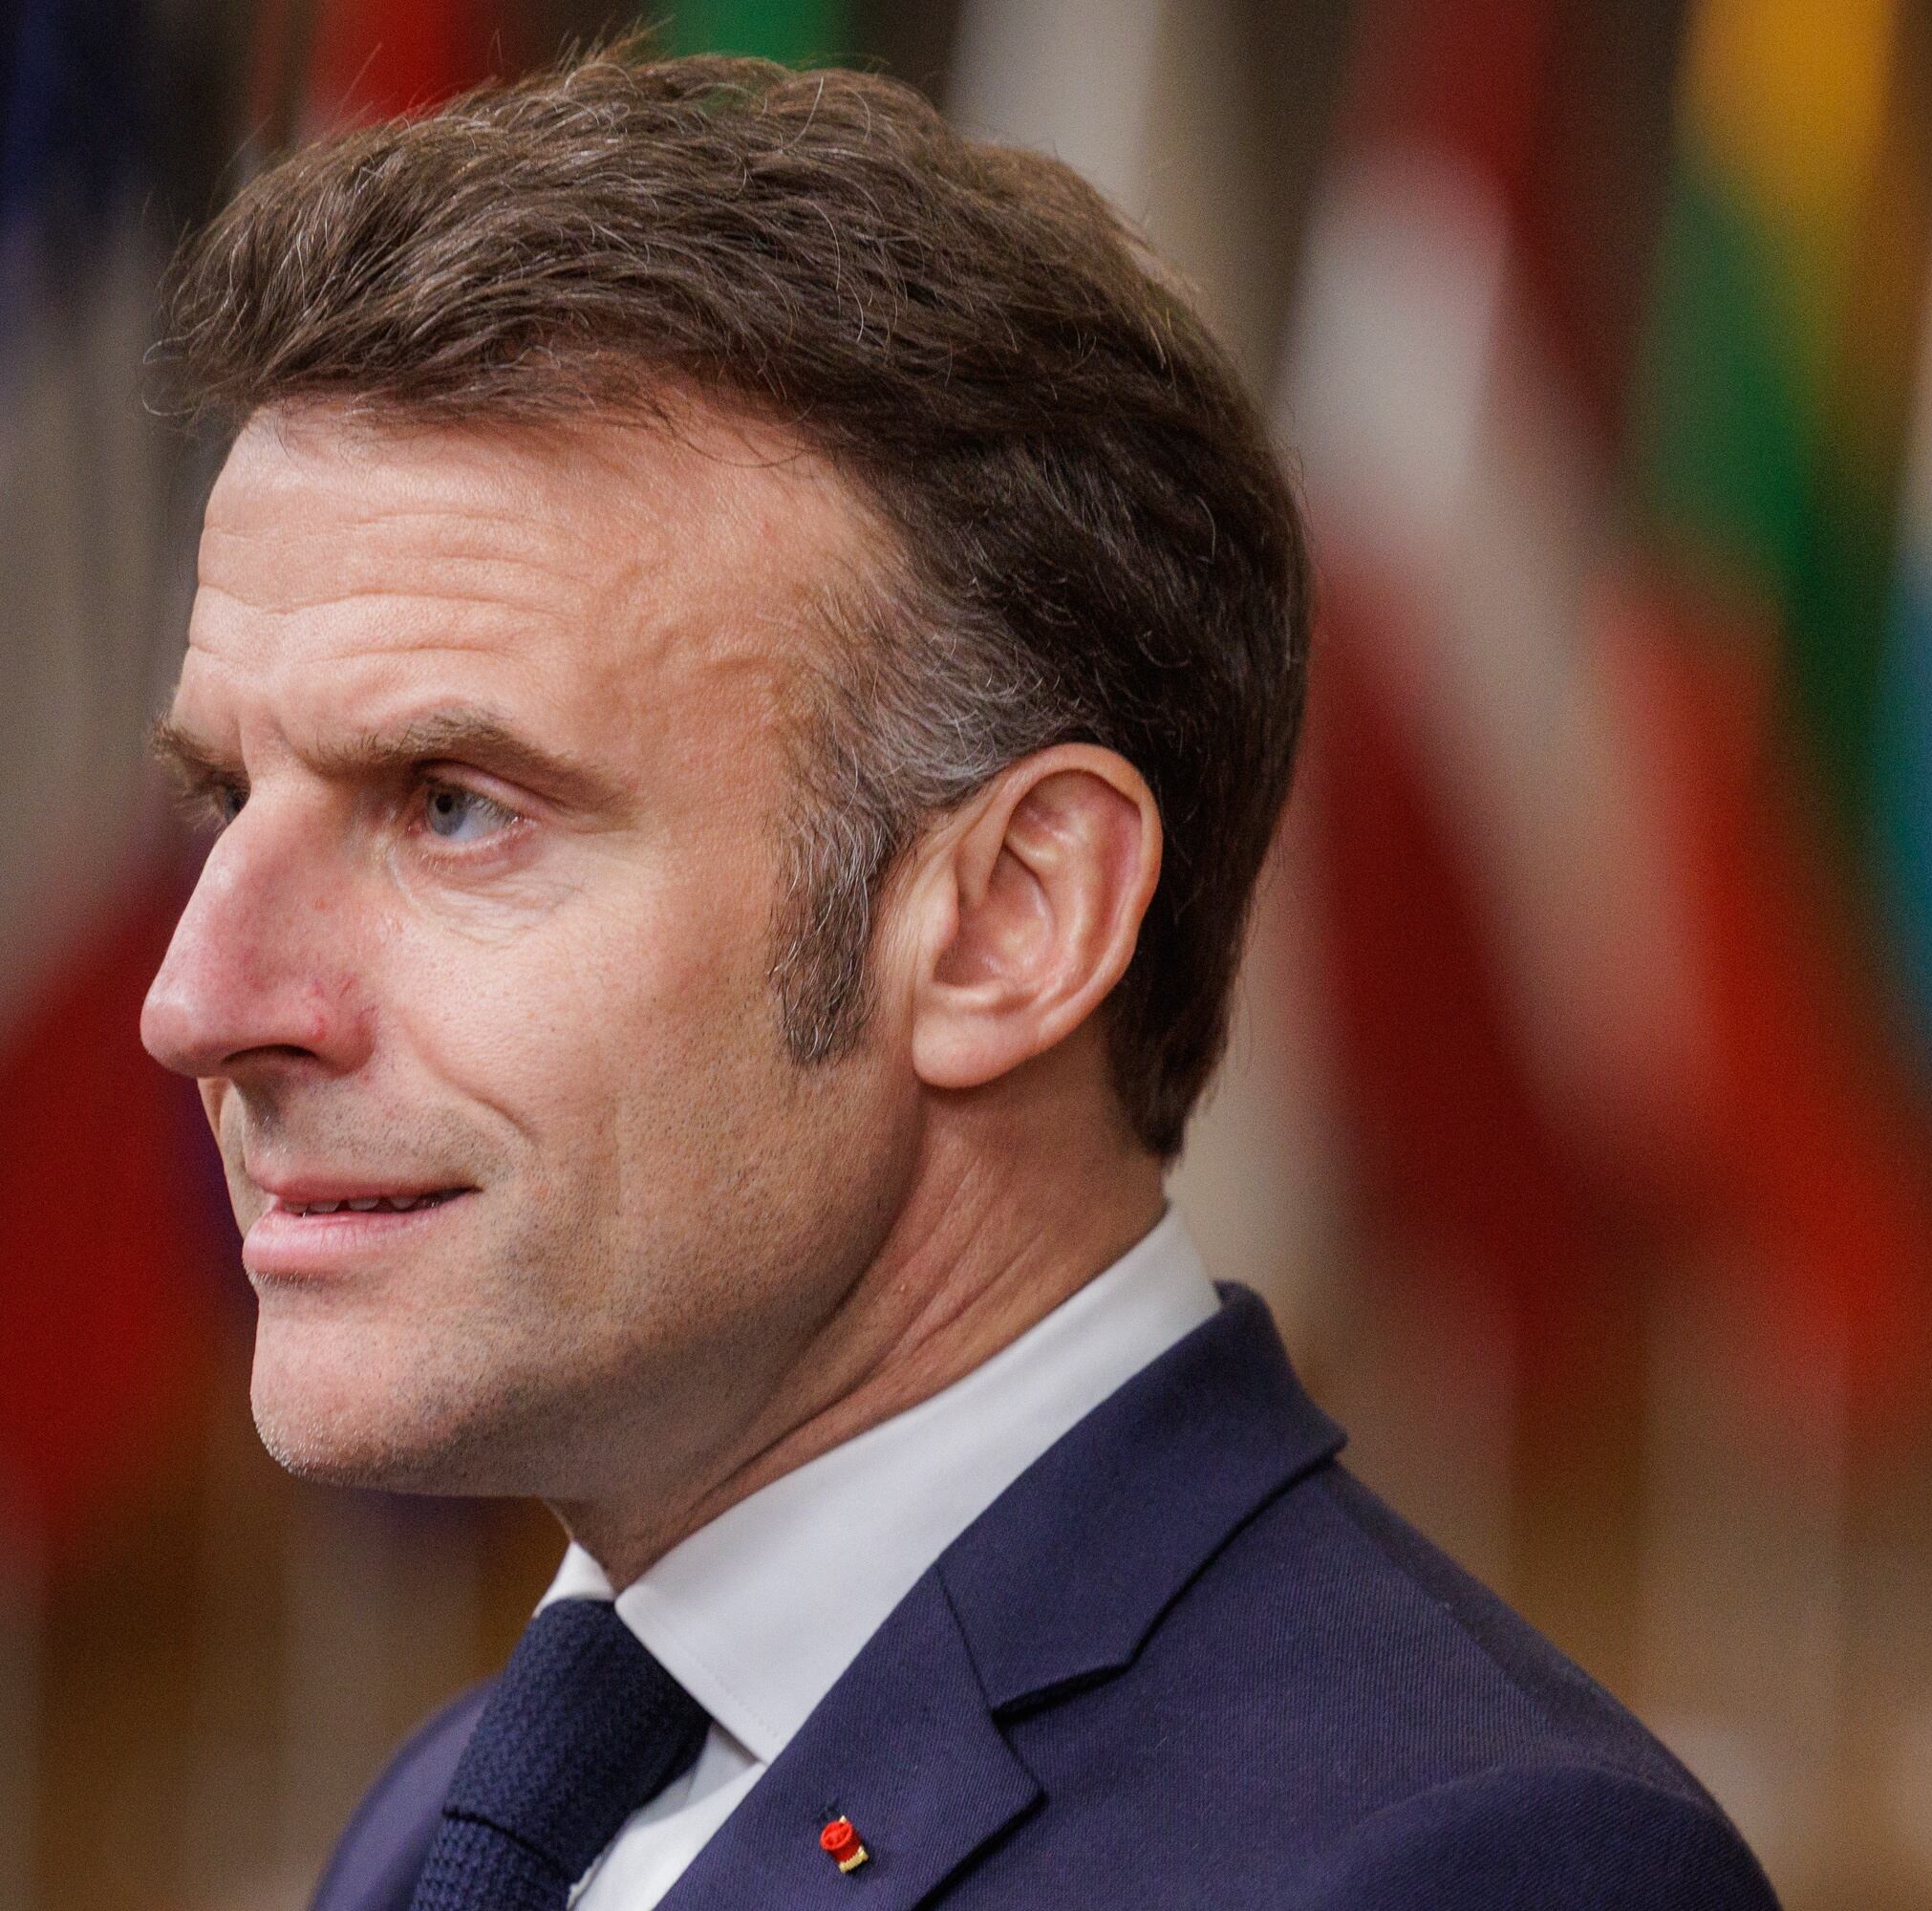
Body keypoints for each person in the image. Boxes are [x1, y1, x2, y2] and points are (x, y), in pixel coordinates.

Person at [137, 42, 1777, 1911]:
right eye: (224, 796)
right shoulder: (461, 1818)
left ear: (1012, 919)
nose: (200, 998)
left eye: (453, 805)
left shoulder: (1456, 1868)